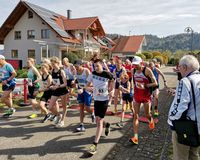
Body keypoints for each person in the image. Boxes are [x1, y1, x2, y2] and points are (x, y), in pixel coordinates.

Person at [168, 55, 200, 160]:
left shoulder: (185, 81)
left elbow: (180, 108)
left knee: (180, 157)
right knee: (194, 155)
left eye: (179, 67)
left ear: (185, 67)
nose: (178, 69)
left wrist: (171, 121)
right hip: (198, 126)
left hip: (186, 127)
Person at [86, 59, 114, 155]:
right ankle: (106, 125)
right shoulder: (92, 74)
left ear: (102, 65)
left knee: (98, 122)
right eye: (94, 66)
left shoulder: (107, 74)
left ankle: (94, 145)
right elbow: (87, 86)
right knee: (99, 121)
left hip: (104, 100)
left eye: (97, 66)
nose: (96, 68)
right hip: (96, 100)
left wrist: (111, 89)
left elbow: (113, 80)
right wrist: (90, 88)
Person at [129, 56, 157, 145]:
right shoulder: (133, 70)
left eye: (136, 65)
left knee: (147, 114)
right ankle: (135, 137)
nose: (135, 66)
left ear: (141, 63)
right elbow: (133, 81)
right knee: (135, 116)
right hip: (137, 95)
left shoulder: (147, 70)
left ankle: (151, 120)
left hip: (146, 96)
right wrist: (133, 88)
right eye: (134, 65)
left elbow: (155, 83)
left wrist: (145, 86)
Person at [74, 59, 95, 132]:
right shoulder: (75, 71)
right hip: (80, 90)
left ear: (81, 65)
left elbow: (91, 83)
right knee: (81, 107)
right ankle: (81, 125)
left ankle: (92, 113)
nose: (76, 68)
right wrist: (75, 84)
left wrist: (83, 88)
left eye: (77, 66)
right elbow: (77, 80)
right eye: (75, 67)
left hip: (87, 90)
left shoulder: (86, 71)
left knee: (87, 108)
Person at [48, 56, 68, 128]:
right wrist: (51, 85)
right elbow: (53, 82)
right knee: (50, 107)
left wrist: (58, 86)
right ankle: (59, 115)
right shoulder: (52, 71)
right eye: (52, 64)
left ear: (58, 63)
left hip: (63, 91)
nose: (53, 66)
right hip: (56, 90)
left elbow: (65, 83)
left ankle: (62, 121)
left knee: (64, 107)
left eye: (54, 64)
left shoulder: (61, 71)